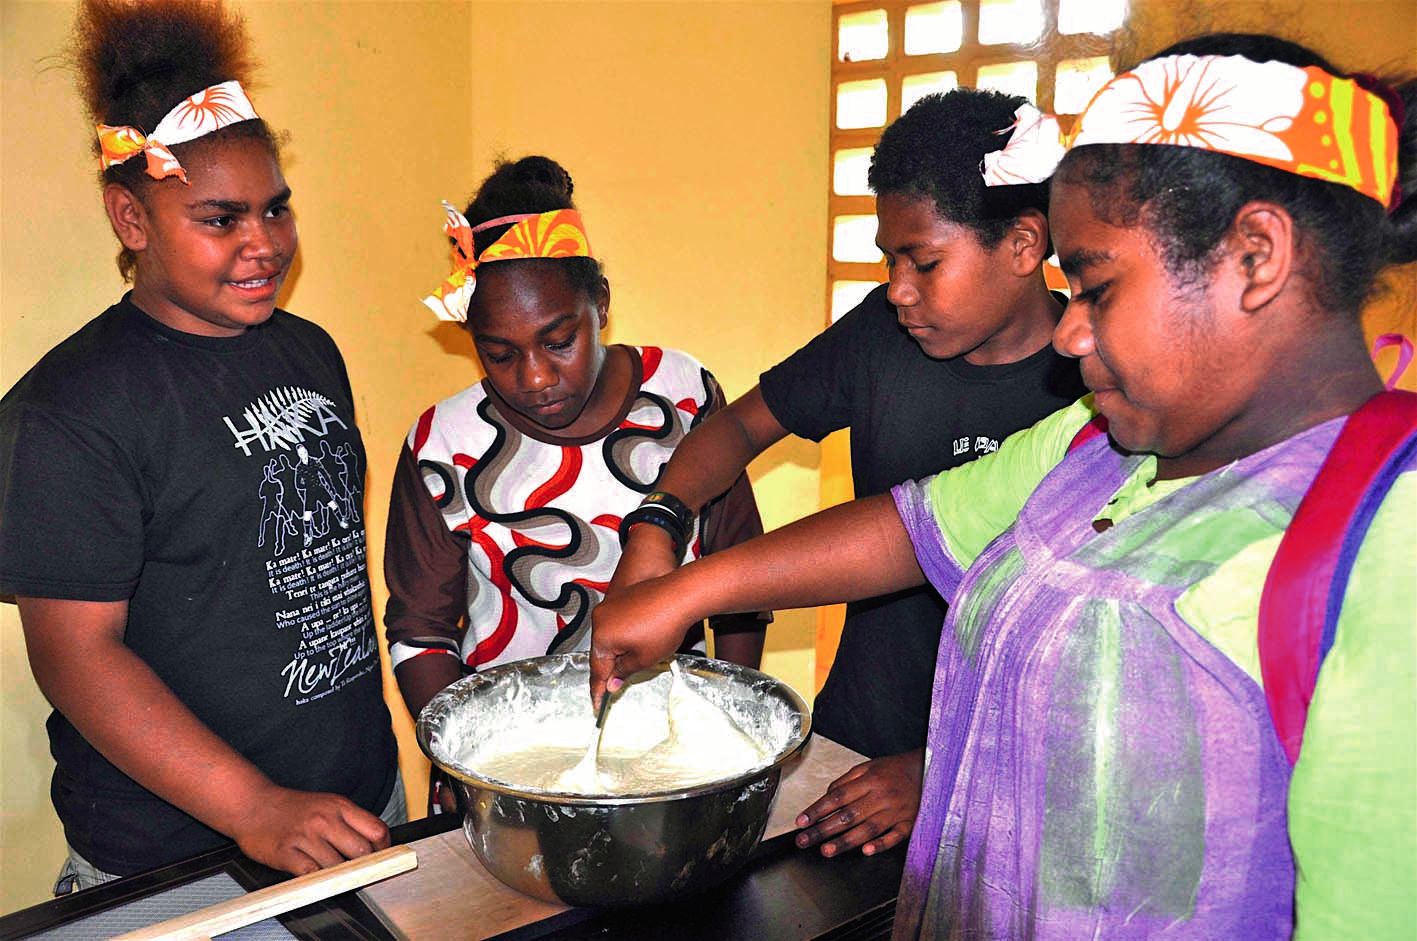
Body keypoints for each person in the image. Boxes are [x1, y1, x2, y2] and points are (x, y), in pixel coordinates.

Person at [590, 33, 1417, 938]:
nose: (1070, 335)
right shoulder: (1099, 442)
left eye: (1095, 288)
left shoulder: (1387, 537)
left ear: (1255, 256)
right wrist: (680, 589)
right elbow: (912, 528)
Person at [608, 88, 1085, 859]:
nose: (898, 289)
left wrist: (942, 768)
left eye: (924, 262)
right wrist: (657, 523)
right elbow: (735, 426)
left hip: (1013, 775)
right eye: (890, 259)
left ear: (1024, 245)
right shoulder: (881, 337)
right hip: (854, 745)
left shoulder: (1096, 392)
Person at [0, 0, 401, 891]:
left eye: (276, 209)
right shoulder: (71, 411)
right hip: (180, 859)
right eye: (221, 219)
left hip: (355, 809)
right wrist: (254, 804)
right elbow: (76, 656)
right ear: (131, 220)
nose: (264, 243)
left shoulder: (310, 350)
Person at [383, 155, 769, 741]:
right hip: (510, 740)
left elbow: (738, 568)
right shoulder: (444, 446)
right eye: (500, 354)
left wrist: (727, 724)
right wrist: (465, 750)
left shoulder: (683, 395)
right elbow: (421, 630)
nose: (535, 377)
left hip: (675, 730)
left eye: (559, 341)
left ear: (603, 306)